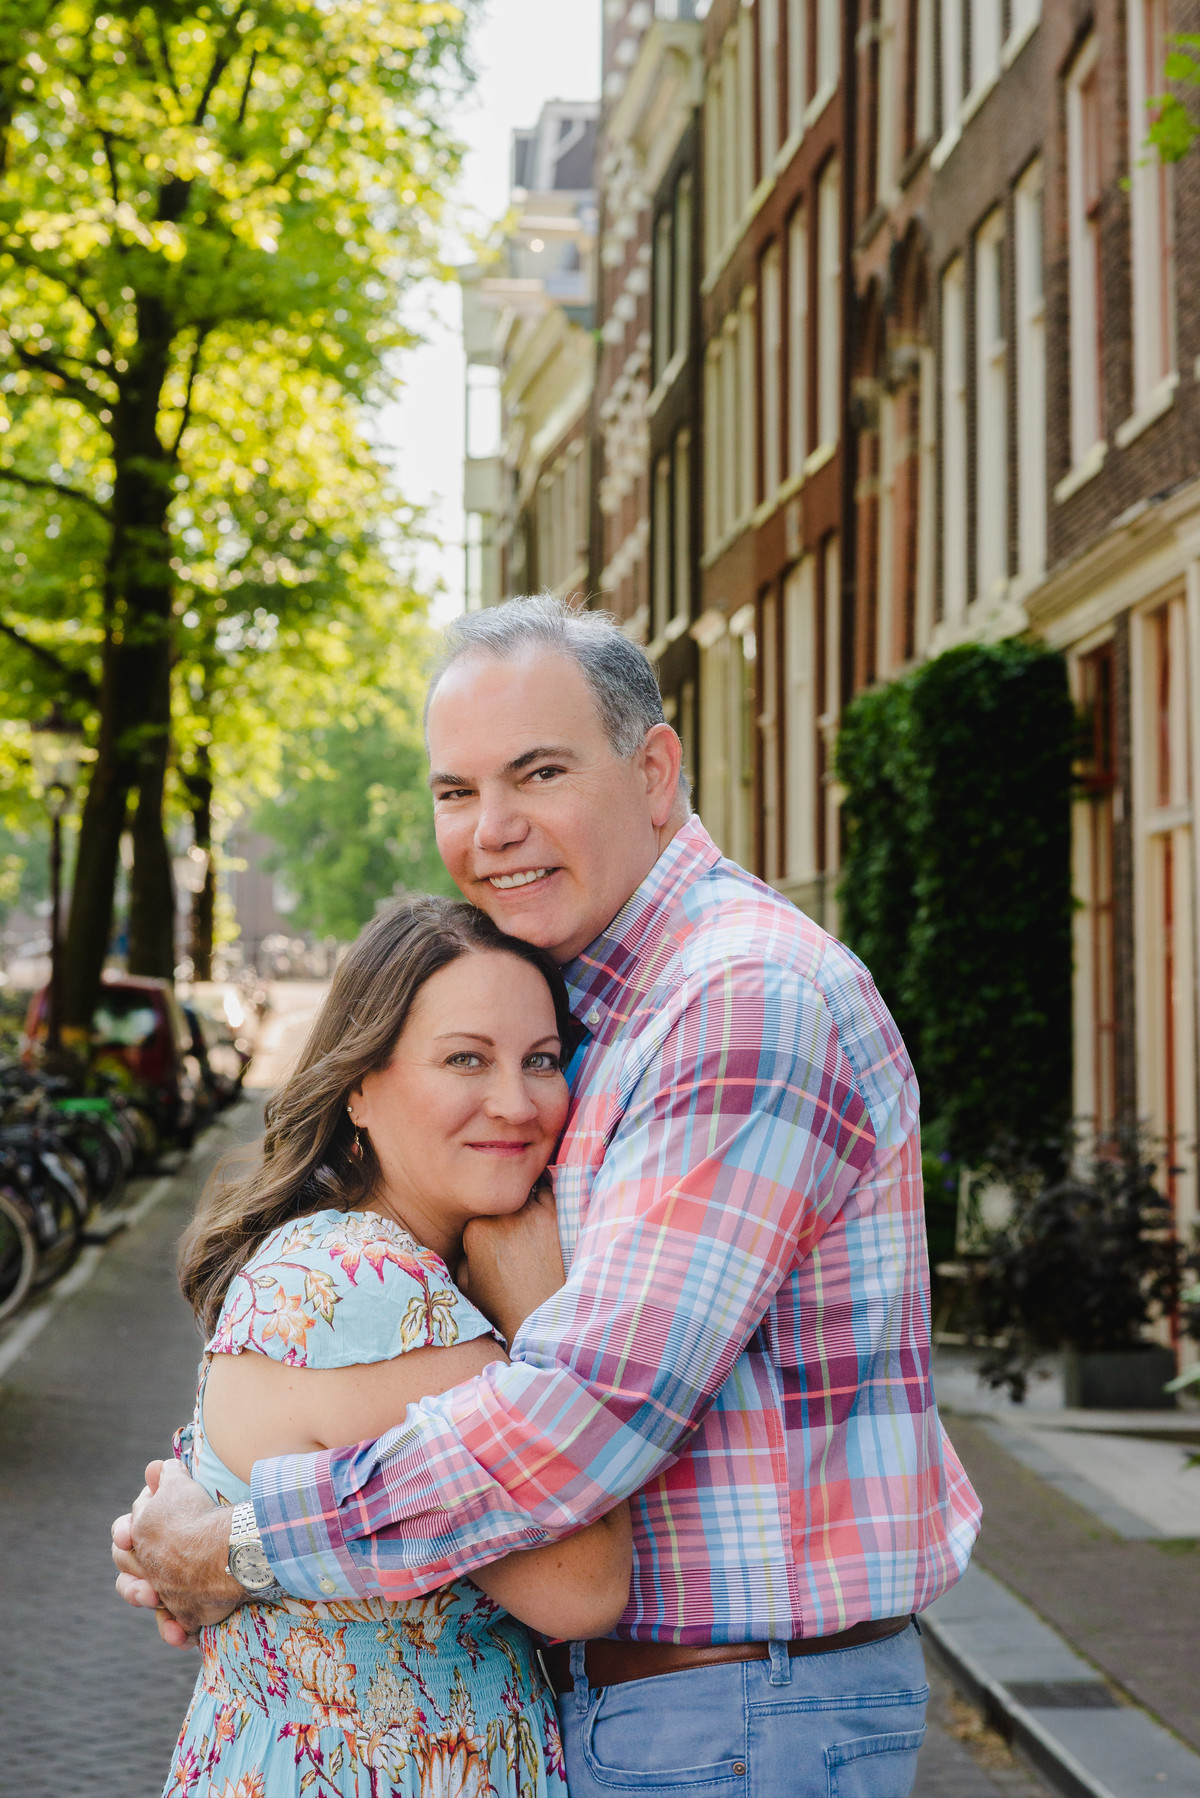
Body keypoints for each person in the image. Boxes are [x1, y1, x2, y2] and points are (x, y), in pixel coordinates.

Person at [116, 595, 981, 1798]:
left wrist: (245, 1542)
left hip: (726, 1713)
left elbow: (585, 1417)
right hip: (671, 1708)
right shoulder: (593, 1002)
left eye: (539, 773)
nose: (493, 829)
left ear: (655, 772)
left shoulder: (738, 1000)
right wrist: (207, 1491)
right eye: (456, 790)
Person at [157, 895, 630, 1797]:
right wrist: (544, 1314)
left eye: (541, 1060)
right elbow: (584, 1586)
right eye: (465, 1059)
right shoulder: (368, 1288)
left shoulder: (346, 1257)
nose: (516, 1102)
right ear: (360, 1086)